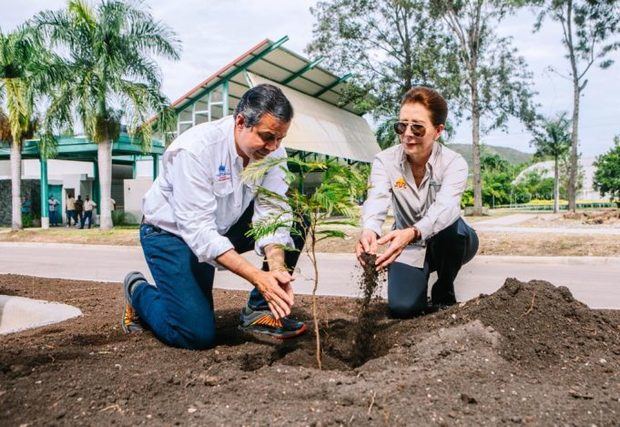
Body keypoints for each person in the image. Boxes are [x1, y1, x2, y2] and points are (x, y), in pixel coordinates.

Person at [121, 84, 308, 350]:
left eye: (280, 139)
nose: (274, 146)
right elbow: (199, 232)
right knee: (195, 334)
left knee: (297, 219)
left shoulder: (273, 152)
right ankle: (138, 291)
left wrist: (276, 268)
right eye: (267, 137)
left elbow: (273, 211)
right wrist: (258, 277)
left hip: (221, 226)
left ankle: (259, 309)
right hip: (171, 235)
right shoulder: (195, 150)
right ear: (241, 122)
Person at [357, 86, 478, 318]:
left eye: (418, 127)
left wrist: (413, 232)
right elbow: (377, 197)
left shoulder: (454, 163)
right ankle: (418, 288)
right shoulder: (384, 161)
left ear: (438, 130)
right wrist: (370, 229)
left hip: (448, 240)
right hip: (408, 246)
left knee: (452, 228)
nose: (407, 134)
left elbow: (446, 209)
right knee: (403, 308)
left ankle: (444, 291)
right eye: (402, 126)